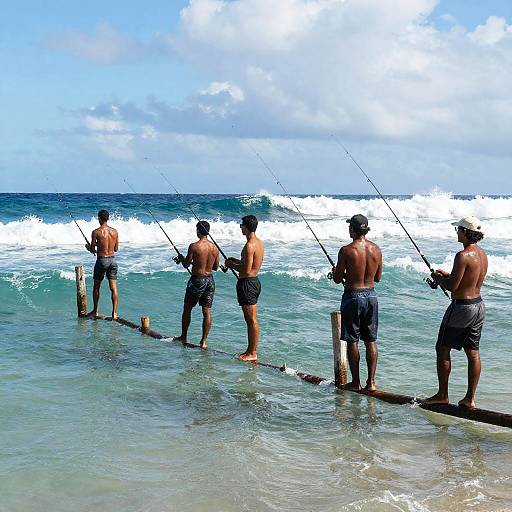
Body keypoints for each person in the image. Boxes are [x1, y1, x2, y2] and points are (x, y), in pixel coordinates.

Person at [425, 216, 487, 409]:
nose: (457, 233)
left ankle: (442, 395)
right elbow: (466, 279)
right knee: (473, 352)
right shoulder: (482, 254)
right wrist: (446, 276)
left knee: (442, 347)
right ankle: (469, 399)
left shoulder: (462, 255)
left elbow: (453, 286)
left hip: (462, 308)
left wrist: (439, 279)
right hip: (478, 306)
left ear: (465, 232)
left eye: (458, 230)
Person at [332, 214, 382, 392]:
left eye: (349, 227)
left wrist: (338, 273)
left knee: (353, 341)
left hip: (353, 297)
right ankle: (372, 382)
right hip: (371, 296)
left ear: (352, 229)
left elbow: (338, 279)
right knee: (370, 340)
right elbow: (377, 277)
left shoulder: (346, 250)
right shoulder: (376, 249)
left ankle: (356, 383)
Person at [174, 221, 220, 349]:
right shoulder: (214, 248)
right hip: (210, 281)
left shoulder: (194, 246)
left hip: (197, 281)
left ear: (198, 231)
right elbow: (215, 267)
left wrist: (181, 258)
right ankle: (203, 342)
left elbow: (186, 264)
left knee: (187, 309)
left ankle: (183, 336)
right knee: (207, 312)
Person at [225, 215, 264, 361]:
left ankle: (252, 353)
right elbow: (250, 264)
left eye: (241, 225)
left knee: (251, 319)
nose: (241, 228)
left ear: (246, 227)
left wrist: (231, 265)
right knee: (251, 319)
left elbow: (246, 270)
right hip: (254, 281)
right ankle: (250, 350)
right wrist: (236, 261)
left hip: (247, 283)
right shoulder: (259, 243)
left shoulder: (249, 245)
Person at [85, 209, 119, 320]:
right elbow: (116, 249)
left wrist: (88, 247)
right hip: (113, 260)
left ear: (99, 218)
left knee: (96, 287)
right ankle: (114, 313)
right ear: (107, 218)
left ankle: (95, 311)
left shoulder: (96, 232)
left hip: (102, 261)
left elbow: (92, 249)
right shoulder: (115, 232)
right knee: (113, 288)